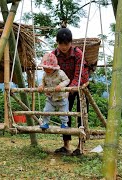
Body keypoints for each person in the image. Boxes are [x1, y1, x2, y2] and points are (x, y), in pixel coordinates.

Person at [52, 28, 89, 156]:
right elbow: (51, 72)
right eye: (60, 44)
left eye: (66, 44)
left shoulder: (78, 53)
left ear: (71, 43)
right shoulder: (54, 55)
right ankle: (66, 145)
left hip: (81, 86)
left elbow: (78, 74)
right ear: (57, 42)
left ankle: (80, 146)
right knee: (65, 115)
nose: (63, 47)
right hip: (64, 86)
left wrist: (70, 89)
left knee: (81, 115)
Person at [38, 53, 70, 129]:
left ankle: (64, 123)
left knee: (64, 112)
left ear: (54, 67)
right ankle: (45, 123)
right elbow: (42, 81)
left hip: (61, 97)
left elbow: (67, 80)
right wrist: (41, 86)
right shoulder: (45, 74)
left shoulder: (60, 73)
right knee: (46, 110)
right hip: (50, 97)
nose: (46, 70)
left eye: (49, 68)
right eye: (45, 68)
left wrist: (61, 85)